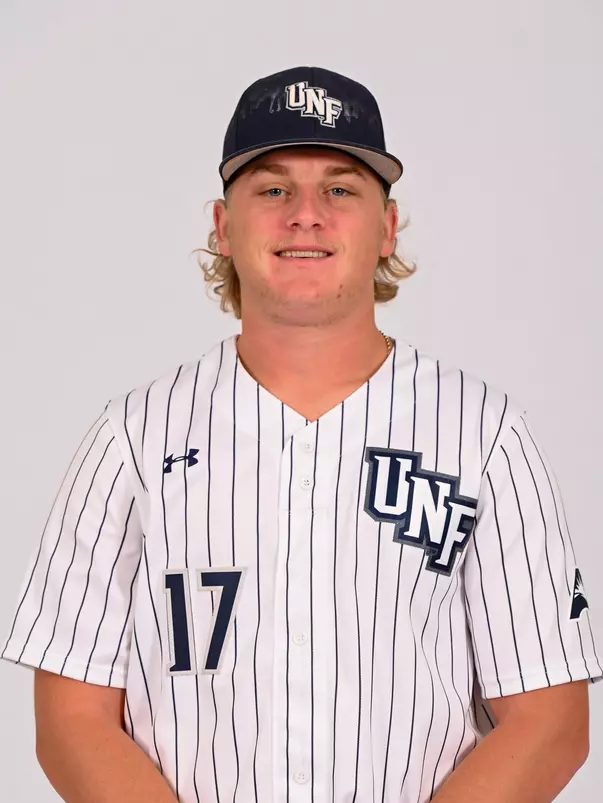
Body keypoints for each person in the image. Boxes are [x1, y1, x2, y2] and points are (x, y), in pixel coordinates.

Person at [1, 65, 601, 803]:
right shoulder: (131, 438)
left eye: (340, 190)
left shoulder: (483, 433)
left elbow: (549, 719)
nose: (305, 215)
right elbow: (70, 719)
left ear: (387, 228)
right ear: (223, 226)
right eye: (273, 189)